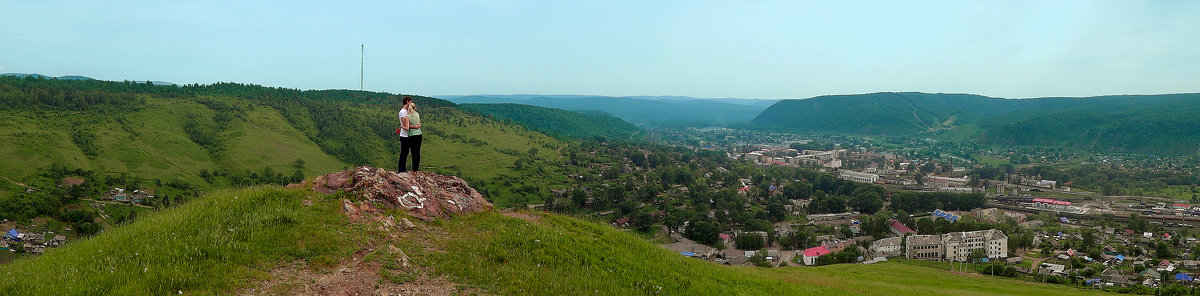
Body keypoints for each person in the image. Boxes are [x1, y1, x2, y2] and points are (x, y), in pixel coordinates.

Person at [397, 96, 423, 172]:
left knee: (413, 153)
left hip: (411, 135)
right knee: (404, 154)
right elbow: (405, 124)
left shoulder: (409, 111)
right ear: (407, 102)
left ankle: (413, 170)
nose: (411, 103)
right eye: (410, 102)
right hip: (405, 135)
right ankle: (401, 170)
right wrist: (416, 127)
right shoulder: (402, 112)